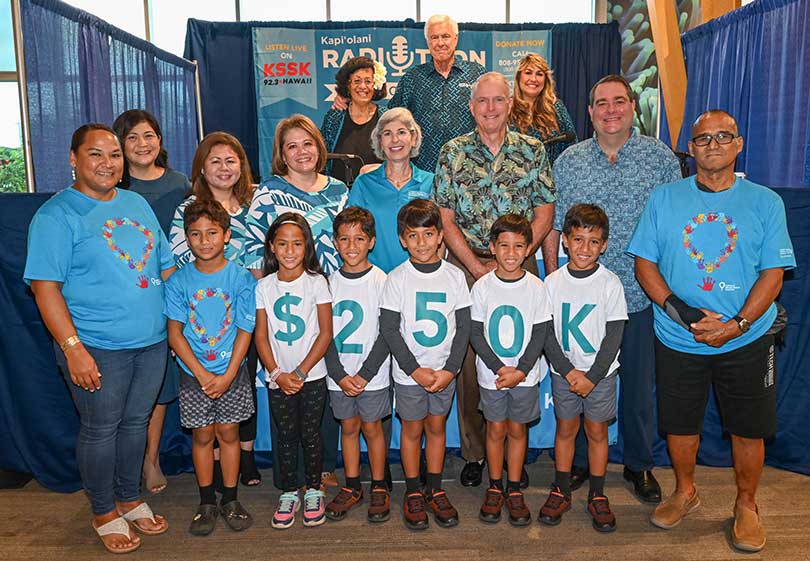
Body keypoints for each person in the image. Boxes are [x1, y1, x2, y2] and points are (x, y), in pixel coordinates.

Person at [628, 110, 796, 552]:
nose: (713, 145)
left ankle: (747, 504)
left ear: (739, 144)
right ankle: (685, 492)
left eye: (723, 137)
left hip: (748, 338)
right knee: (680, 425)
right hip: (679, 337)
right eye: (703, 138)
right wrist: (682, 313)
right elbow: (644, 263)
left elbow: (774, 274)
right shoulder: (664, 198)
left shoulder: (765, 202)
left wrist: (737, 325)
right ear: (691, 149)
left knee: (749, 428)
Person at [24, 124, 172, 554]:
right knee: (101, 429)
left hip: (151, 341)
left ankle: (128, 497)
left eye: (114, 155)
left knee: (136, 423)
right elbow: (45, 289)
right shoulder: (56, 215)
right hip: (97, 346)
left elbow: (164, 267)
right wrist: (73, 349)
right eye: (96, 154)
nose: (108, 163)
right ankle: (104, 510)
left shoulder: (135, 203)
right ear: (73, 159)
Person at [548, 74, 682, 501]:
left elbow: (673, 228)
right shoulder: (568, 161)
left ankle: (639, 465)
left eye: (619, 101)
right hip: (579, 301)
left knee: (639, 390)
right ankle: (580, 463)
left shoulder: (660, 159)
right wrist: (552, 281)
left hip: (639, 295)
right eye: (602, 103)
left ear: (632, 107)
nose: (611, 110)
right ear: (589, 112)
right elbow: (554, 228)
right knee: (580, 381)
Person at [433, 71, 555, 488]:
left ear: (510, 104)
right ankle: (475, 453)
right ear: (471, 107)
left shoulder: (533, 150)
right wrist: (477, 267)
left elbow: (545, 213)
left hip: (520, 266)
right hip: (467, 266)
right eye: (482, 101)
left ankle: (515, 449)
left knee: (521, 351)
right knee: (471, 362)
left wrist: (514, 258)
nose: (490, 108)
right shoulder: (452, 152)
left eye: (498, 100)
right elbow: (445, 218)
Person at [243, 114, 348, 488]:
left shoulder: (339, 190)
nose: (301, 152)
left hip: (330, 300)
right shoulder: (268, 192)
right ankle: (293, 475)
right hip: (284, 306)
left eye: (307, 143)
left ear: (319, 146)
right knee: (287, 391)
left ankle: (324, 468)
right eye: (292, 146)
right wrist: (272, 300)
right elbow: (254, 249)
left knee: (323, 383)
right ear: (281, 154)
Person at [170, 132, 263, 488]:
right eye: (215, 161)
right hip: (201, 321)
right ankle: (212, 482)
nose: (224, 168)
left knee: (244, 382)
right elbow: (177, 265)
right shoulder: (189, 210)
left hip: (243, 312)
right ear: (202, 168)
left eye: (231, 161)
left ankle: (245, 457)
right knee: (206, 421)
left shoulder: (255, 205)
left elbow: (259, 261)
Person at [164, 200, 256, 535]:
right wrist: (202, 375)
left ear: (227, 235)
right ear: (187, 238)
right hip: (194, 374)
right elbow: (175, 334)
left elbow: (245, 328)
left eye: (212, 233)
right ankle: (206, 501)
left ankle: (230, 499)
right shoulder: (178, 282)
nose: (204, 241)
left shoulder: (241, 278)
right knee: (202, 436)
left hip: (232, 372)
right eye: (196, 234)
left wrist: (229, 374)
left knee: (229, 433)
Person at [380, 199, 471, 530]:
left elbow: (464, 328)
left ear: (440, 236)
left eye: (428, 234)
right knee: (412, 430)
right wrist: (414, 370)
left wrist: (450, 370)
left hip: (443, 373)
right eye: (413, 235)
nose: (421, 242)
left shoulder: (455, 277)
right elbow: (390, 330)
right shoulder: (396, 279)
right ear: (402, 239)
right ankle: (414, 490)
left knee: (436, 428)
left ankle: (434, 488)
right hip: (410, 376)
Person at [113, 108, 190, 494]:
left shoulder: (180, 184)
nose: (142, 144)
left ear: (160, 140)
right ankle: (123, 461)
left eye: (149, 136)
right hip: (124, 293)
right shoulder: (113, 188)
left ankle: (151, 458)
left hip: (170, 290)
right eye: (132, 138)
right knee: (121, 385)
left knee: (158, 385)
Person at [540, 204, 627, 533]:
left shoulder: (610, 283)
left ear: (604, 245)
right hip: (565, 374)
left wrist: (592, 376)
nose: (585, 248)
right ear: (564, 240)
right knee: (565, 429)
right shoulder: (552, 283)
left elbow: (614, 334)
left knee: (597, 432)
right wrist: (568, 371)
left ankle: (597, 494)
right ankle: (561, 489)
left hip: (600, 376)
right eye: (577, 239)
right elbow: (546, 332)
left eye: (593, 241)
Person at [470, 214, 551, 527]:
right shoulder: (482, 287)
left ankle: (513, 487)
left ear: (529, 249)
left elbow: (540, 333)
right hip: (491, 376)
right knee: (495, 429)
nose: (511, 252)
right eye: (504, 245)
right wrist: (498, 367)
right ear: (492, 247)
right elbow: (476, 333)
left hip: (524, 377)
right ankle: (494, 485)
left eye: (519, 246)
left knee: (517, 430)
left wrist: (521, 371)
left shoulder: (536, 287)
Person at [255, 213, 333, 529]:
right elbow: (261, 336)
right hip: (278, 379)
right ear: (272, 247)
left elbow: (325, 333)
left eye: (297, 244)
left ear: (307, 247)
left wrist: (299, 373)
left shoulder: (317, 282)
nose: (290, 251)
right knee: (286, 436)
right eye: (283, 244)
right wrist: (277, 373)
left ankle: (313, 489)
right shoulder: (263, 286)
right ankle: (289, 491)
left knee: (311, 434)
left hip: (311, 377)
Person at [323, 207, 392, 524]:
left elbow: (387, 333)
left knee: (372, 429)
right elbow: (323, 333)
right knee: (348, 428)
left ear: (372, 242)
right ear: (335, 242)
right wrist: (339, 374)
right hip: (340, 376)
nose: (352, 246)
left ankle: (379, 485)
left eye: (359, 239)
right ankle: (352, 485)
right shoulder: (328, 284)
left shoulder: (382, 281)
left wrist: (365, 374)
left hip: (372, 377)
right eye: (344, 239)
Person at [385, 14, 486, 172]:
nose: (440, 43)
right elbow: (392, 117)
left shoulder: (477, 74)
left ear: (455, 39)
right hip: (424, 170)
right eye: (434, 37)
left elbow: (494, 113)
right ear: (427, 42)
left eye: (445, 36)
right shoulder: (412, 78)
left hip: (470, 168)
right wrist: (351, 101)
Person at [347, 107, 433, 273]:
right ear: (380, 142)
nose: (395, 139)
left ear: (413, 138)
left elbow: (441, 235)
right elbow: (353, 234)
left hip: (419, 277)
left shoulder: (431, 182)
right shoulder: (364, 183)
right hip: (375, 278)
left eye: (401, 132)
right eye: (387, 134)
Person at [321, 56, 388, 184]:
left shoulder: (386, 118)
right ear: (348, 85)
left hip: (378, 191)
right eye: (357, 81)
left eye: (368, 81)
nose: (363, 86)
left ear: (375, 85)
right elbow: (322, 158)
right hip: (339, 192)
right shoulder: (334, 117)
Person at [510, 53, 577, 165]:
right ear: (518, 77)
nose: (533, 79)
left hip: (553, 174)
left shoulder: (556, 107)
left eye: (539, 74)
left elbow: (572, 146)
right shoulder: (507, 107)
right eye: (528, 73)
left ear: (545, 80)